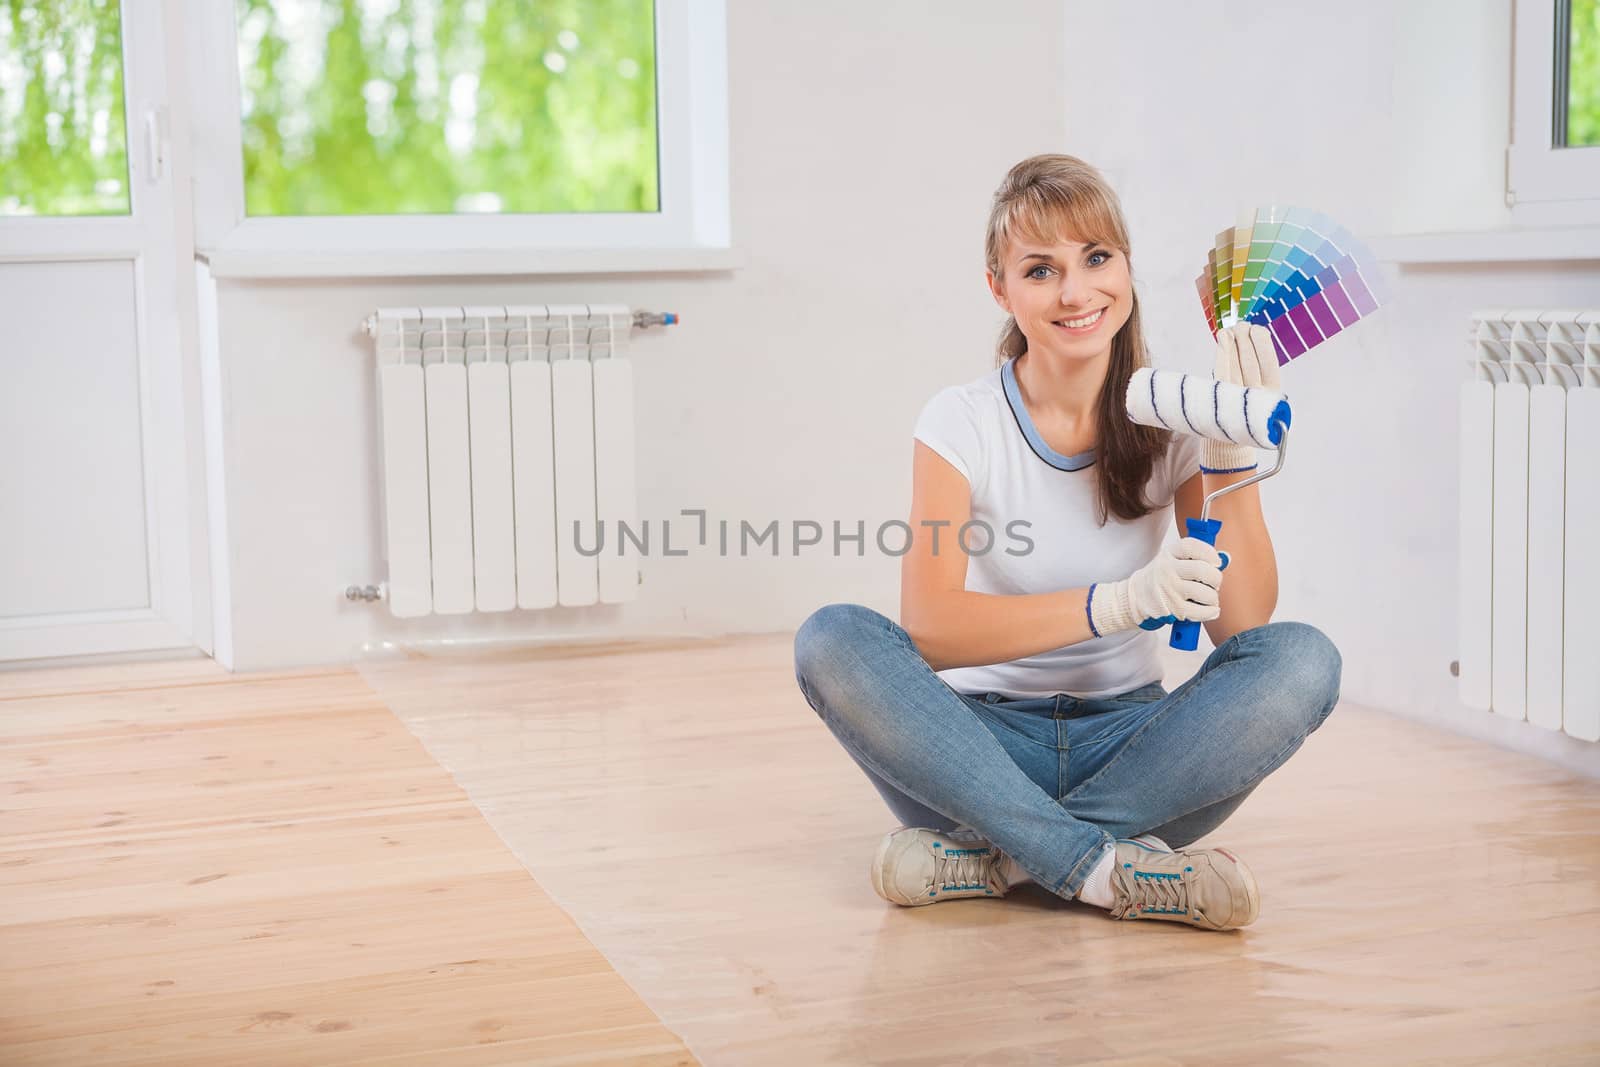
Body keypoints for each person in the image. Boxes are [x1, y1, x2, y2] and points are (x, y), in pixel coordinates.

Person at [791, 154, 1341, 932]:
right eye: (1041, 269)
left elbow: (1244, 633)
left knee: (1305, 658)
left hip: (1138, 749)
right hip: (976, 748)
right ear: (1000, 288)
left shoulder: (1176, 415)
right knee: (833, 638)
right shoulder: (961, 421)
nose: (1077, 292)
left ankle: (1002, 857)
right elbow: (934, 630)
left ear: (1126, 266)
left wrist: (1229, 457)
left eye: (1097, 258)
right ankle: (1106, 867)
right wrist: (1119, 603)